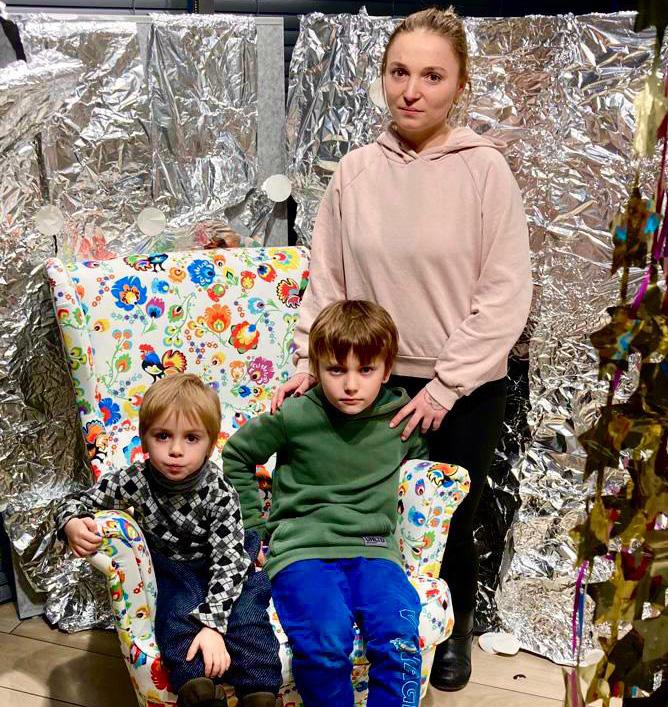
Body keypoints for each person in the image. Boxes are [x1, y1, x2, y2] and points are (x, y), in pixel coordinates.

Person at [272, 6, 532, 693]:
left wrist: (447, 385)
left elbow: (506, 292)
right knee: (368, 511)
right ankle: (374, 629)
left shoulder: (485, 171)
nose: (411, 91)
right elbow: (327, 278)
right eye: (398, 72)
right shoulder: (356, 171)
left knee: (448, 518)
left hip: (460, 386)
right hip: (369, 377)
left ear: (460, 84)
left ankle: (452, 627)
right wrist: (306, 362)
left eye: (432, 76)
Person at [223, 300, 428, 707]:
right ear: (315, 367)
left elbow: (422, 466)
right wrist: (254, 528)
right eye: (336, 370)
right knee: (325, 641)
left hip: (375, 552)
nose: (351, 385)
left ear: (387, 370)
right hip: (303, 551)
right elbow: (237, 455)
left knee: (398, 639)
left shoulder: (401, 422)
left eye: (365, 370)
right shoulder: (295, 415)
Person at [56, 374, 281, 707]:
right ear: (144, 440)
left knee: (248, 618)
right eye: (162, 436)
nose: (176, 450)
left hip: (225, 564)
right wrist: (72, 521)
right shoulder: (135, 480)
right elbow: (78, 499)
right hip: (174, 568)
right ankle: (197, 688)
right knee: (173, 618)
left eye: (191, 438)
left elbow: (228, 564)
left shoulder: (218, 492)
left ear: (210, 444)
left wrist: (213, 627)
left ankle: (260, 692)